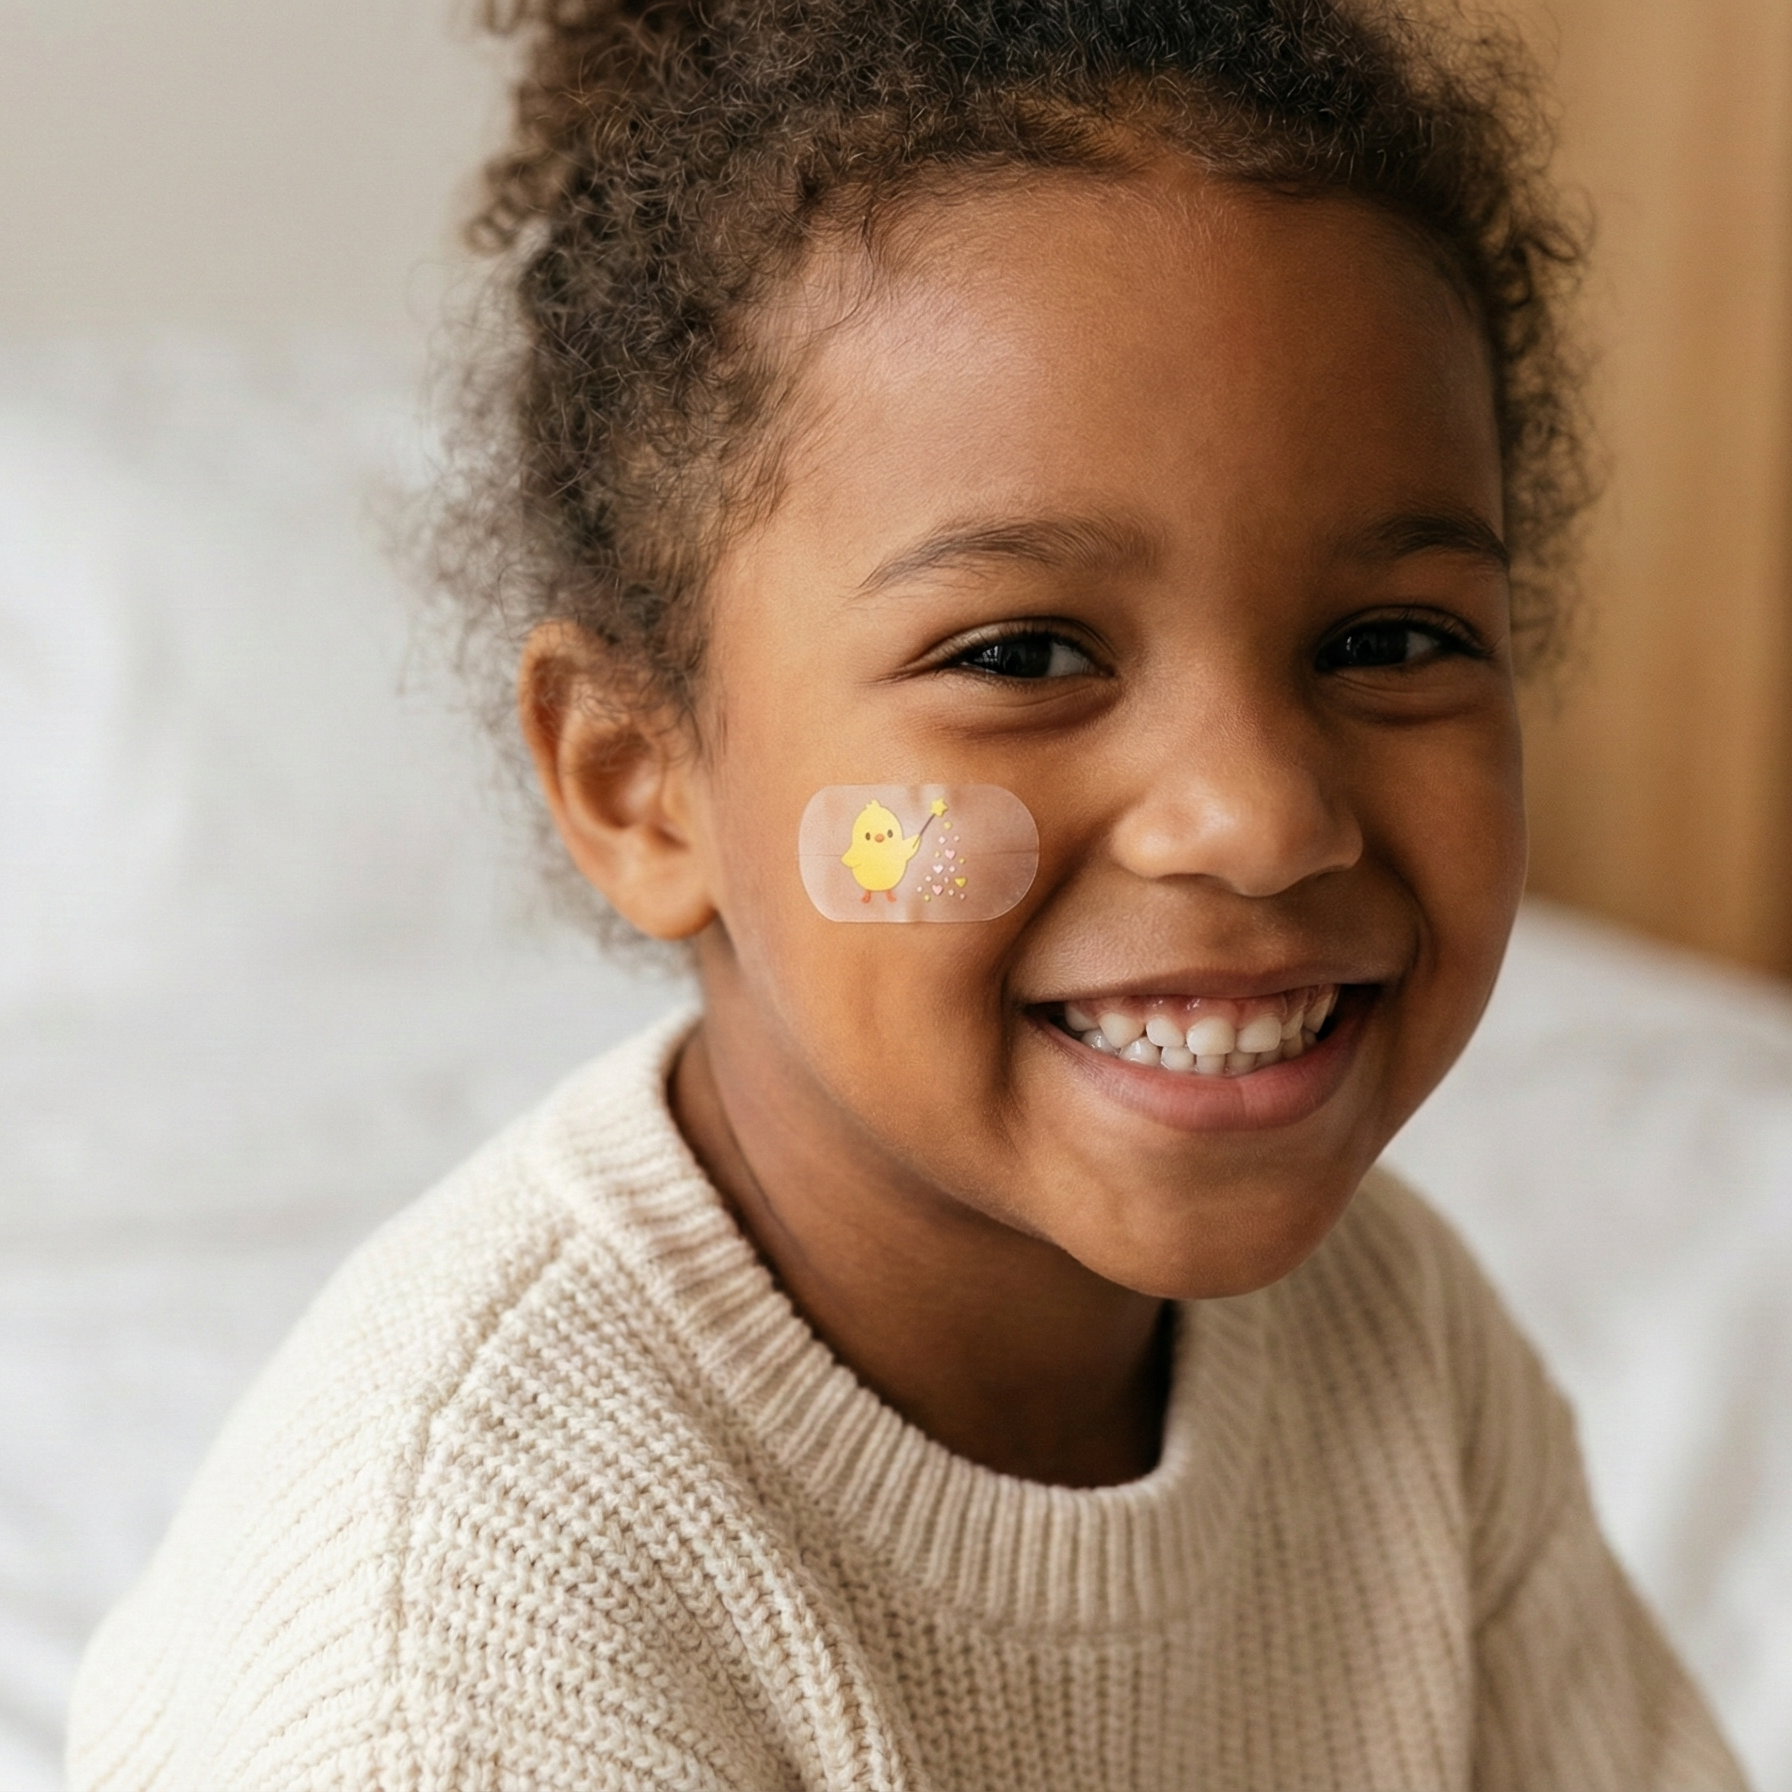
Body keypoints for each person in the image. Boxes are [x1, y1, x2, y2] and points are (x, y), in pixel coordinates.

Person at [66, 0, 1749, 1785]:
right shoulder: (454, 1650)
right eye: (1024, 653)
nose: (1258, 820)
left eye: (1390, 639)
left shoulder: (1393, 1347)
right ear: (641, 785)